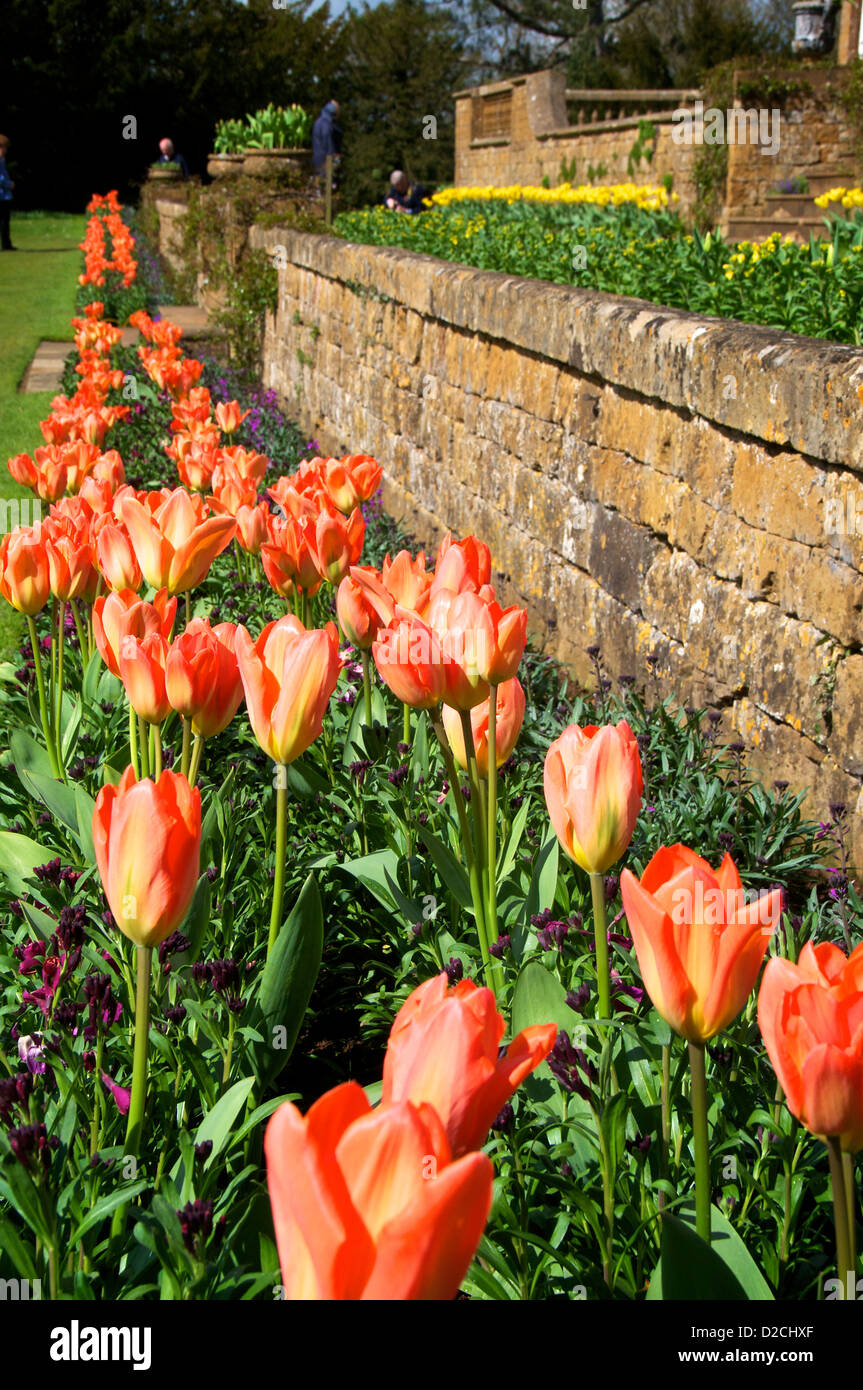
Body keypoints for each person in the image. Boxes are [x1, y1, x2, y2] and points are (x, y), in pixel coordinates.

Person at [312, 101, 342, 190]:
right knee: (327, 189)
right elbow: (329, 146)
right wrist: (335, 161)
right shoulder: (327, 125)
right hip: (325, 162)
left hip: (317, 160)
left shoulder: (318, 122)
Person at [0, 135, 16, 251]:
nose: (5, 151)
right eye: (4, 148)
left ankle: (6, 243)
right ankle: (6, 244)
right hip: (1, 195)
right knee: (3, 220)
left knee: (5, 220)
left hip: (5, 195)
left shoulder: (2, 160)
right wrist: (8, 184)